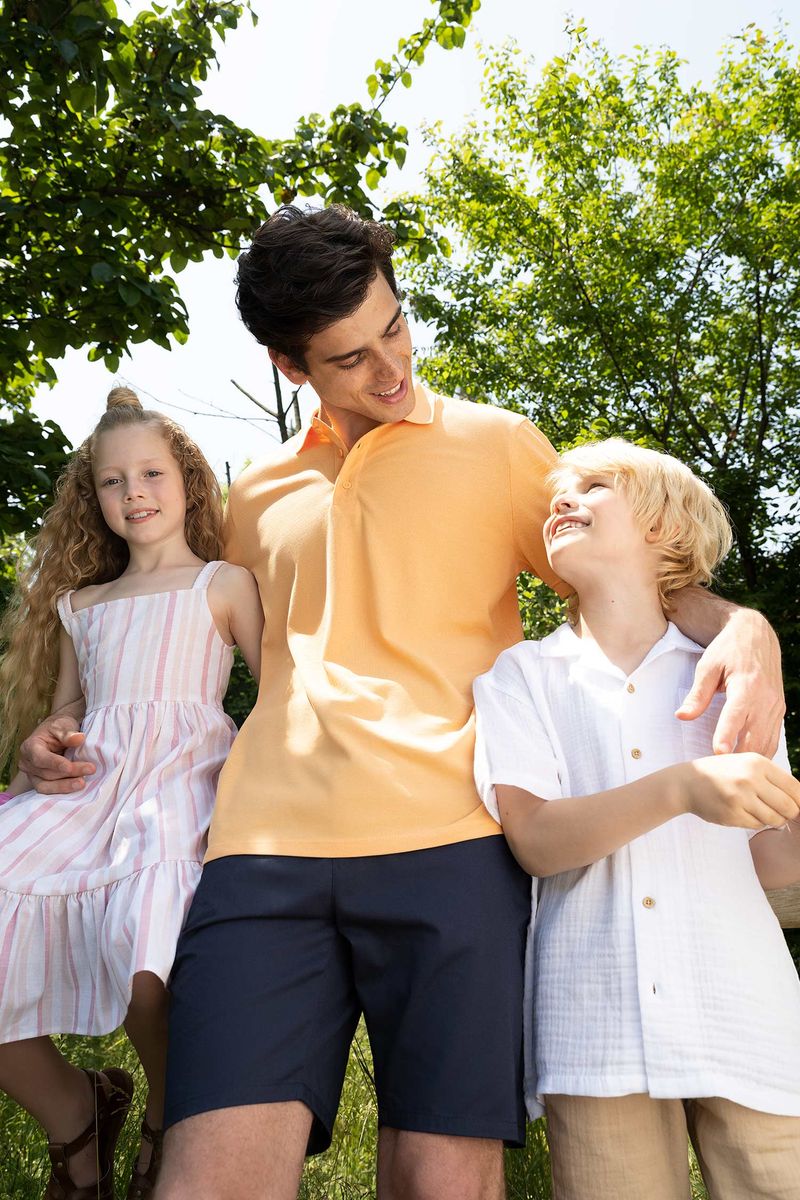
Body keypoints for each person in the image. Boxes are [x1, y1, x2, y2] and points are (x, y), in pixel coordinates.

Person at [17, 208, 790, 1200]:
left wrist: (746, 628)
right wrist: (62, 729)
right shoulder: (255, 494)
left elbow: (630, 573)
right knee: (205, 1180)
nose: (390, 367)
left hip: (453, 840)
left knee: (440, 1181)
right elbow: (170, 633)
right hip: (260, 851)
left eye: (395, 328)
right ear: (289, 366)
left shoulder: (498, 445)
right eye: (349, 358)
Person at [473, 438, 800, 1200]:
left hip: (747, 1016)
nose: (562, 499)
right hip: (597, 1031)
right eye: (560, 493)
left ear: (663, 526)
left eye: (594, 486)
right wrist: (681, 788)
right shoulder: (520, 676)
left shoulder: (738, 678)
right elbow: (536, 840)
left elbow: (774, 861)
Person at [0, 389, 263, 1200]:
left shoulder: (223, 584)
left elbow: (280, 698)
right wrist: (32, 758)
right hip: (88, 790)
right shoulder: (82, 605)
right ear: (94, 498)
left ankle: (166, 1116)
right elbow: (70, 713)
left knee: (150, 963)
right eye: (112, 481)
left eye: (151, 473)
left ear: (188, 482)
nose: (134, 492)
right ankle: (76, 1116)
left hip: (177, 788)